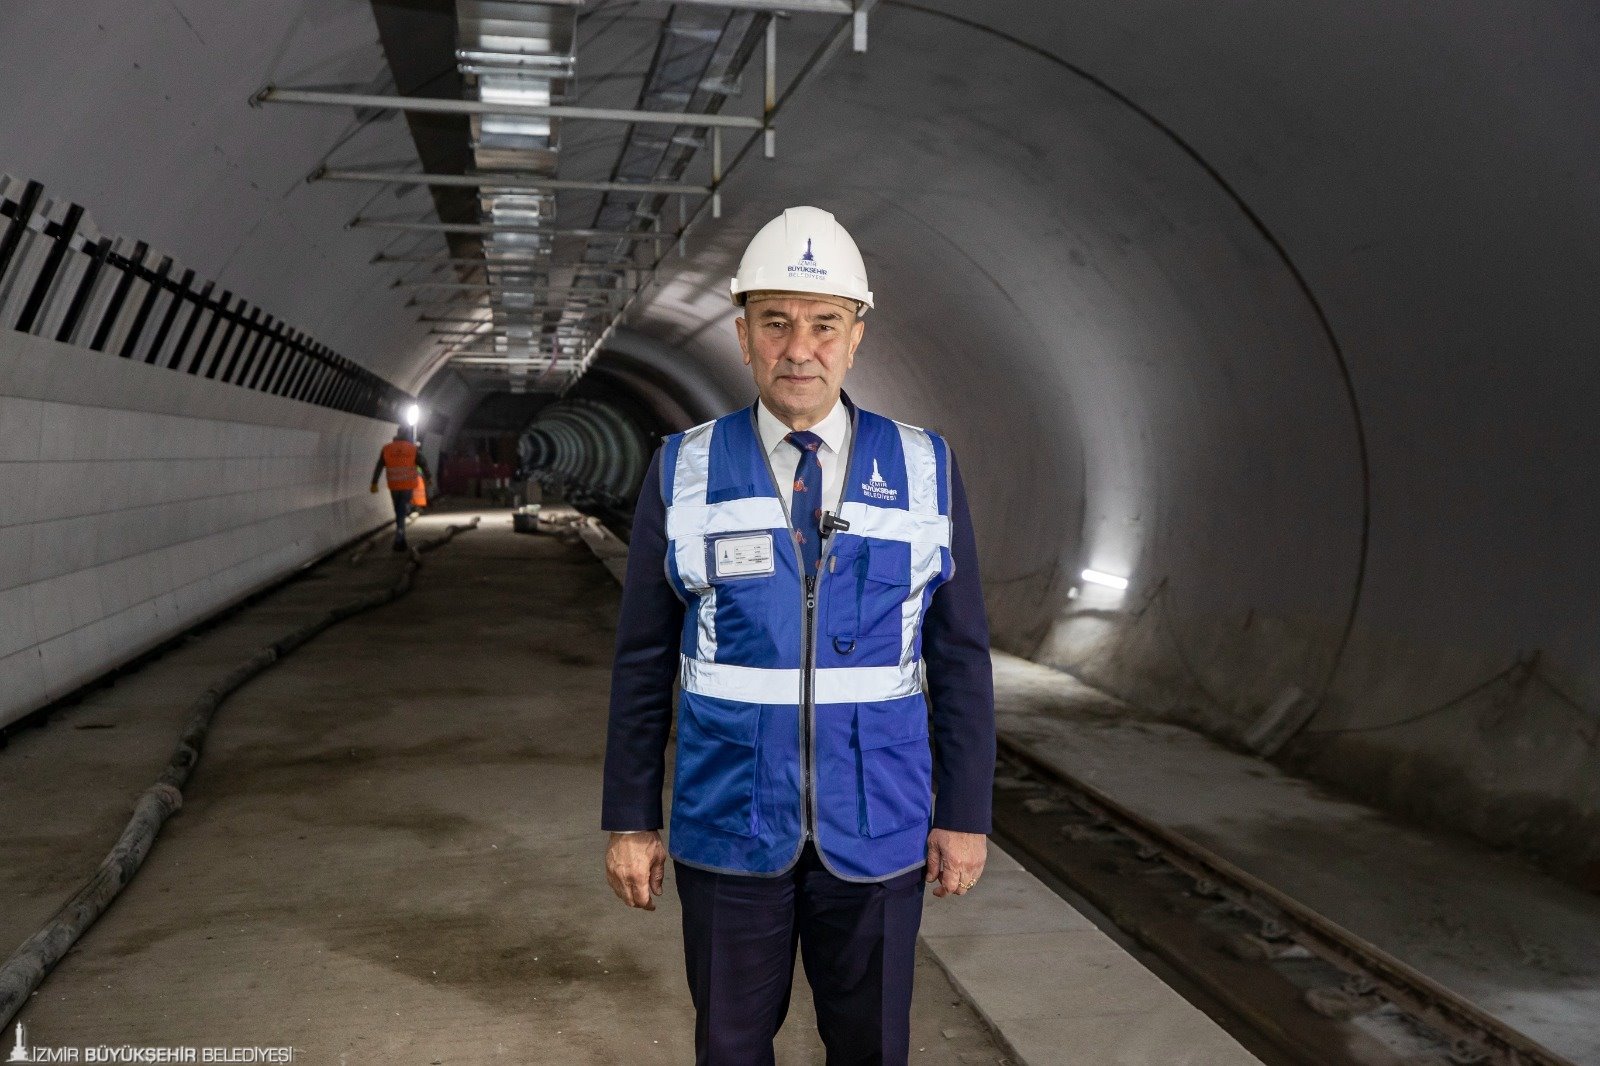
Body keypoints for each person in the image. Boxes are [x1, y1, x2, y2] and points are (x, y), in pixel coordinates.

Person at [602, 206, 996, 1064]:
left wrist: (964, 814)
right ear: (742, 337)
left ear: (856, 336)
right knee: (732, 1047)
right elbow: (641, 659)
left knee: (872, 1048)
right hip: (728, 823)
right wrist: (631, 817)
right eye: (775, 323)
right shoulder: (685, 468)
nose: (799, 348)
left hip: (880, 823)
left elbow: (959, 657)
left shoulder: (925, 467)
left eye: (825, 325)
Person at [369, 427, 430, 551]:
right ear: (408, 435)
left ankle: (401, 538)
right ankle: (399, 538)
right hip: (407, 486)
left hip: (394, 486)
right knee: (401, 512)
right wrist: (429, 478)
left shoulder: (387, 449)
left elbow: (379, 466)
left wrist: (374, 482)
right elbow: (423, 463)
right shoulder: (412, 449)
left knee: (398, 512)